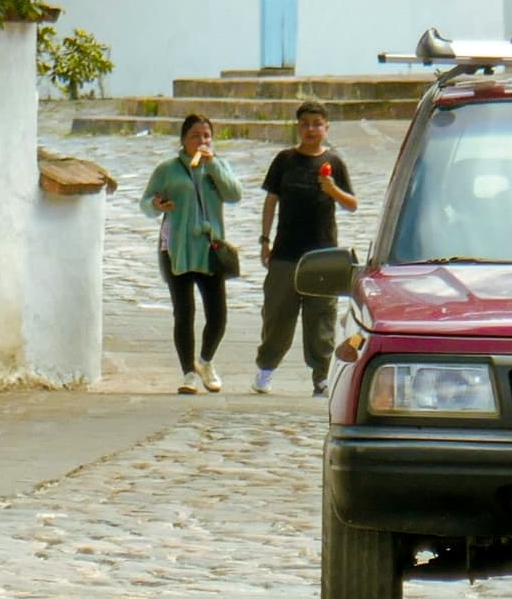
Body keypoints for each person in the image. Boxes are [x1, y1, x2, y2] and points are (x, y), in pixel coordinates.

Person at [254, 103, 360, 393]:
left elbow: (352, 204)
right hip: (286, 252)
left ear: (326, 128)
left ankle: (321, 377)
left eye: (317, 124)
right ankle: (265, 368)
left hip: (323, 256)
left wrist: (332, 189)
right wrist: (265, 241)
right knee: (277, 315)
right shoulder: (284, 160)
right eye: (305, 124)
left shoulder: (334, 163)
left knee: (321, 319)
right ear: (297, 127)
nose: (311, 129)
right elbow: (270, 201)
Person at [143, 116, 241, 394]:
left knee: (218, 314)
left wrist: (214, 167)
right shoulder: (168, 170)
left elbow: (234, 194)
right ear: (184, 140)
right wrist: (157, 203)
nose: (202, 141)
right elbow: (146, 202)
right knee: (183, 313)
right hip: (176, 247)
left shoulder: (218, 166)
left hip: (210, 249)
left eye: (207, 136)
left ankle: (205, 362)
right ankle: (187, 372)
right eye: (195, 136)